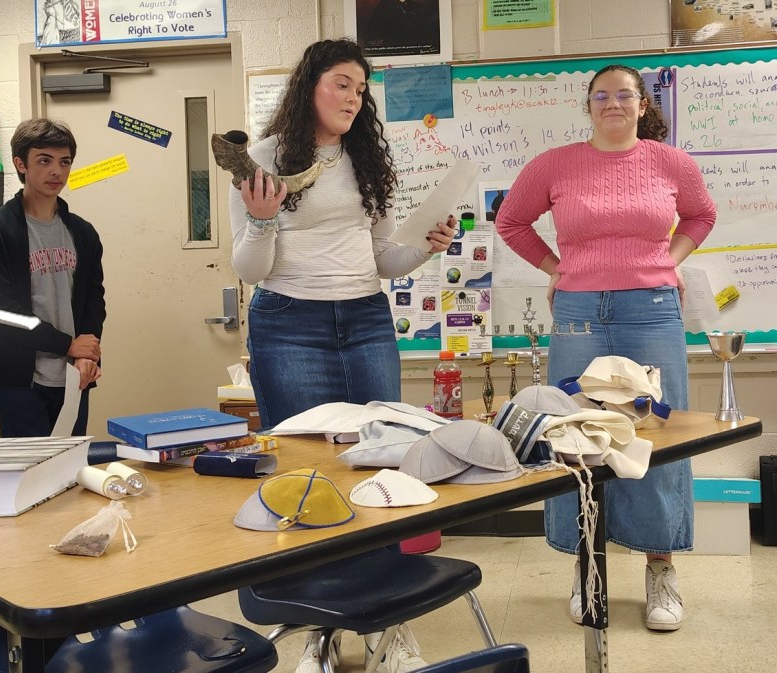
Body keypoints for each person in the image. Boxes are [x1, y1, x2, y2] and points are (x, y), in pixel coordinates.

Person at [227, 38, 456, 673]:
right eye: (341, 85)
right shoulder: (263, 159)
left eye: (360, 89)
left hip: (365, 318)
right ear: (310, 87)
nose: (354, 98)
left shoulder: (365, 156)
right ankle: (317, 631)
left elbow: (383, 256)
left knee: (378, 462)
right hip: (288, 321)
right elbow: (249, 267)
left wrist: (428, 248)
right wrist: (264, 220)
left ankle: (390, 617)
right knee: (306, 472)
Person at [495, 64, 717, 632]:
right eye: (602, 95)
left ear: (642, 104)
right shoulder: (554, 164)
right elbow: (512, 221)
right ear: (587, 104)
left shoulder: (672, 162)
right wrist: (555, 266)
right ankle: (586, 566)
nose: (612, 104)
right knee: (575, 434)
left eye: (624, 95)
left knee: (656, 433)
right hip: (577, 314)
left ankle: (660, 567)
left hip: (652, 310)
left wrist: (670, 260)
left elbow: (701, 215)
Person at [0, 119, 105, 438]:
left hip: (73, 375)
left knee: (70, 474)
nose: (56, 171)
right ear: (21, 164)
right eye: (44, 161)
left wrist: (87, 352)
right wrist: (68, 345)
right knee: (30, 478)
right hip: (18, 380)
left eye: (64, 162)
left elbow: (93, 300)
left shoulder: (83, 232)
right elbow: (2, 311)